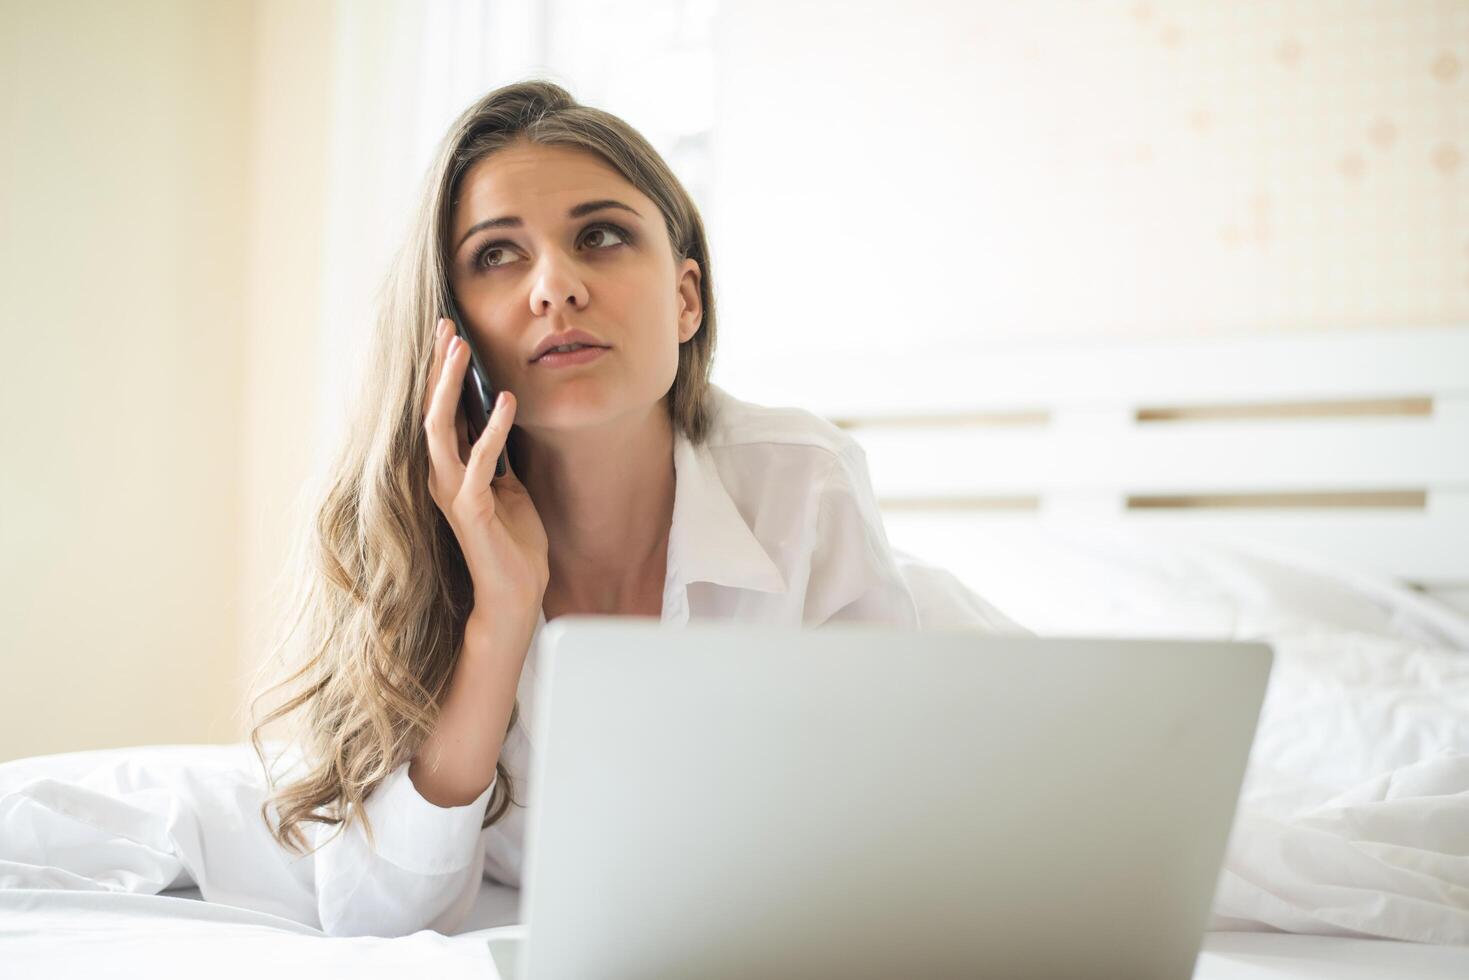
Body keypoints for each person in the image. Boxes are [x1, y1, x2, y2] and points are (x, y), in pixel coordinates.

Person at [247, 79, 1024, 939]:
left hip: (984, 682)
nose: (556, 288)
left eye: (601, 236)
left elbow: (897, 827)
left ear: (685, 299)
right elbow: (372, 920)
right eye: (497, 255)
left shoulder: (803, 485)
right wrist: (499, 619)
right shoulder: (403, 535)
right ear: (449, 327)